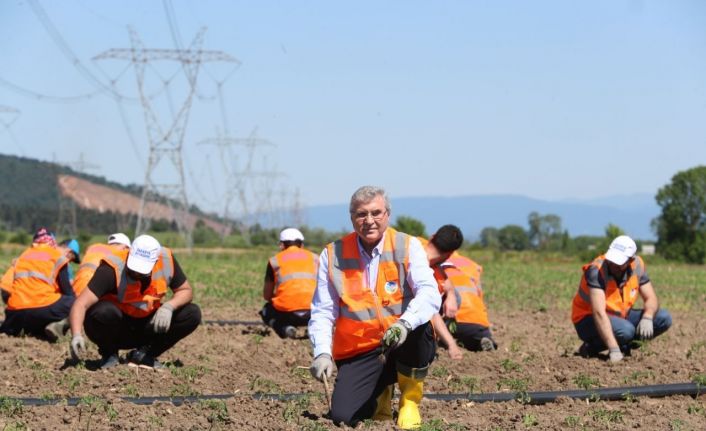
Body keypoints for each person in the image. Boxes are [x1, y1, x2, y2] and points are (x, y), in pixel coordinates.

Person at [308, 186, 441, 429]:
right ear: (352, 218)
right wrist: (322, 353)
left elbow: (429, 292)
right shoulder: (333, 254)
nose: (369, 220)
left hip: (402, 336)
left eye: (376, 213)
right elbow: (323, 310)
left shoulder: (407, 245)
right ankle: (381, 394)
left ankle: (409, 400)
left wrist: (404, 324)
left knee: (420, 326)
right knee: (342, 416)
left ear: (387, 214)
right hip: (361, 348)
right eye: (361, 214)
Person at [68, 234, 202, 370]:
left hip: (148, 327)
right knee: (102, 311)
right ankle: (109, 354)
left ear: (155, 261)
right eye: (134, 268)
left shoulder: (166, 260)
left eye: (142, 270)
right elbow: (81, 304)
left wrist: (168, 307)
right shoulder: (112, 268)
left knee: (192, 313)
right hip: (117, 329)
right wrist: (76, 335)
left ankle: (144, 355)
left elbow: (185, 290)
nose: (137, 273)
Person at [571, 235, 672, 363]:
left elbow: (651, 298)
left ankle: (624, 346)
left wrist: (647, 317)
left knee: (663, 318)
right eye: (612, 260)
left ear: (630, 260)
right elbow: (598, 313)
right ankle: (592, 347)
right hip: (588, 320)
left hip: (620, 317)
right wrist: (613, 350)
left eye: (619, 263)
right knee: (626, 331)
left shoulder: (637, 265)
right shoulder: (596, 271)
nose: (614, 265)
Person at [0, 227, 75, 342]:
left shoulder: (23, 255)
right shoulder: (57, 256)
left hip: (15, 313)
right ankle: (56, 326)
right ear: (52, 242)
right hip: (42, 309)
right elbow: (68, 292)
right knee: (75, 302)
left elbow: (6, 288)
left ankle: (28, 328)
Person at [259, 228, 318, 339]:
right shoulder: (315, 259)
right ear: (302, 245)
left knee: (266, 311)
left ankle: (285, 328)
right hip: (313, 312)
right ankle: (314, 328)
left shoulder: (274, 261)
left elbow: (267, 296)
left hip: (287, 314)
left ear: (281, 245)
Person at [418, 224, 465, 360]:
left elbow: (445, 281)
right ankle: (429, 340)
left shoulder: (415, 243)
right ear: (450, 254)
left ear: (431, 237)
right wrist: (452, 345)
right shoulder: (422, 271)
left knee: (455, 296)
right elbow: (429, 310)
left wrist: (451, 295)